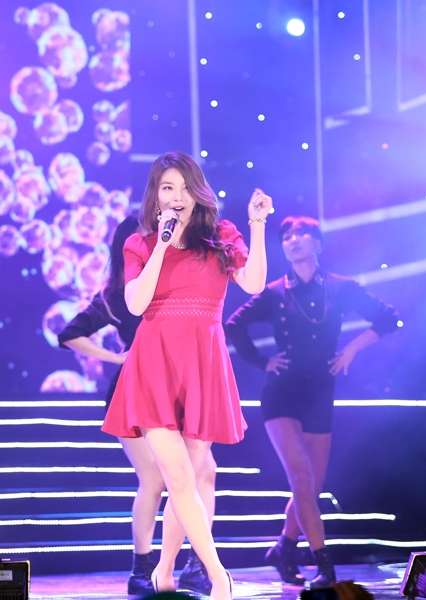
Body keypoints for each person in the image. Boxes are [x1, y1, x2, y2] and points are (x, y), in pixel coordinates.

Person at [101, 151, 272, 600]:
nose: (175, 196)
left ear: (197, 191)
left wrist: (257, 225)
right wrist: (161, 244)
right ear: (155, 197)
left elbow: (253, 284)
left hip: (202, 363)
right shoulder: (139, 244)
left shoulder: (222, 236)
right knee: (176, 478)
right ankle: (219, 575)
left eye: (182, 187)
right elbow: (136, 304)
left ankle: (164, 570)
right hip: (154, 363)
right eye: (166, 188)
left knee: (191, 480)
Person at [224, 215, 399, 587]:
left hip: (320, 392)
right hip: (281, 394)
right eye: (287, 235)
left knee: (310, 488)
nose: (293, 239)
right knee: (301, 479)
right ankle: (325, 566)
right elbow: (234, 324)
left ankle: (283, 547)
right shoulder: (275, 291)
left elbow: (388, 318)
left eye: (301, 233)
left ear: (317, 243)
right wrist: (261, 361)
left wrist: (351, 349)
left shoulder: (341, 287)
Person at [57, 216, 217, 597]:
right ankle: (142, 567)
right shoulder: (118, 294)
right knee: (156, 478)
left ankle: (196, 562)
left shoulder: (175, 279)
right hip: (136, 390)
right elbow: (70, 334)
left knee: (204, 471)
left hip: (177, 389)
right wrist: (117, 358)